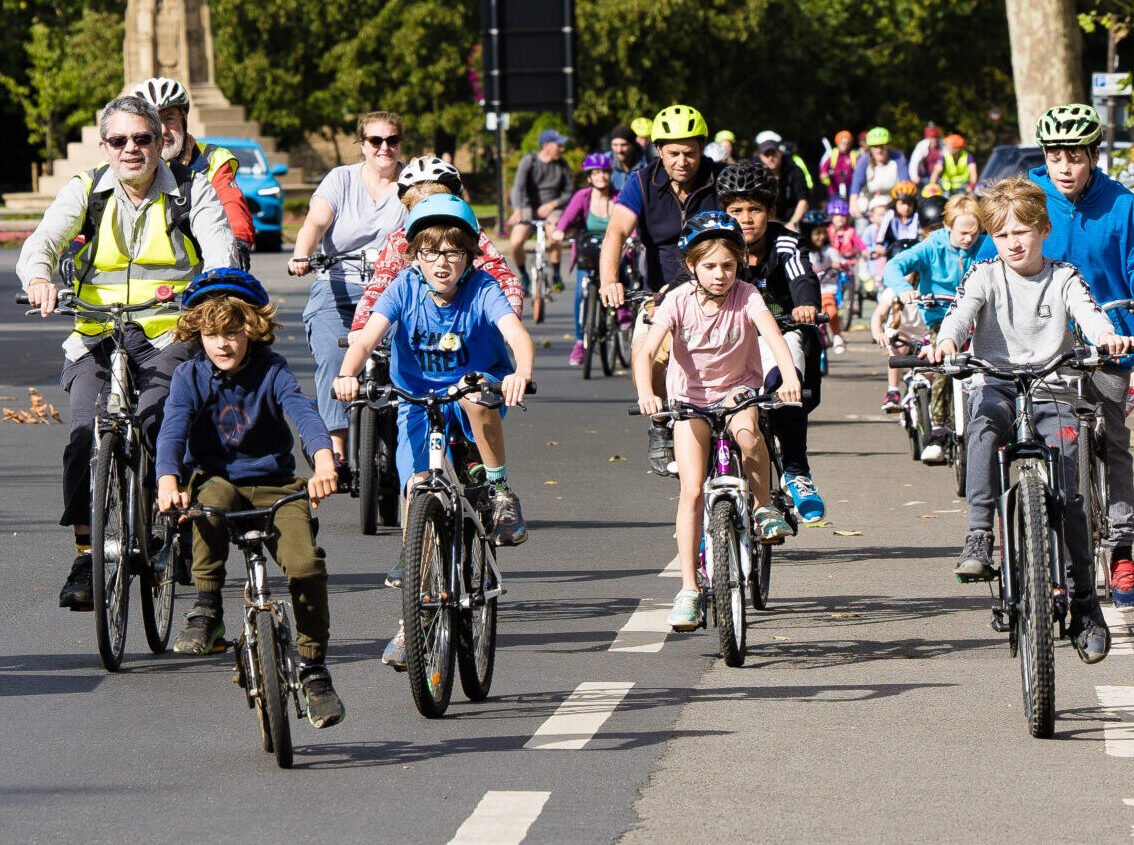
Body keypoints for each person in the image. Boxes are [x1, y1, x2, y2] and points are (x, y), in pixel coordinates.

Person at [17, 94, 235, 611]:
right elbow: (43, 241)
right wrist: (40, 278)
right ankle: (87, 553)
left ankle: (174, 522)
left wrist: (214, 288)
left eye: (142, 138)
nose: (131, 149)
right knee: (81, 437)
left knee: (161, 421)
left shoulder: (190, 191)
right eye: (120, 140)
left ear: (161, 141)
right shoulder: (88, 189)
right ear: (104, 146)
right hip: (97, 333)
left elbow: (220, 246)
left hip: (168, 334)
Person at [929, 176, 1132, 663]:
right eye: (1001, 234)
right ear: (991, 238)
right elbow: (959, 316)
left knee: (1074, 497)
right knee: (981, 428)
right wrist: (947, 342)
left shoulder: (1063, 277)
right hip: (996, 384)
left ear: (1043, 229)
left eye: (1022, 231)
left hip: (1052, 390)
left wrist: (1107, 339)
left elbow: (1090, 313)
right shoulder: (983, 275)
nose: (1012, 242)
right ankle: (980, 532)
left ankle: (1085, 606)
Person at [336, 195, 535, 668]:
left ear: (468, 256)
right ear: (414, 255)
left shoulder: (483, 289)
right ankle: (411, 624)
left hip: (473, 394)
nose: (440, 262)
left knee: (472, 398)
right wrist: (347, 374)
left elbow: (516, 336)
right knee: (416, 491)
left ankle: (500, 490)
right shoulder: (404, 287)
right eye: (430, 252)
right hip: (416, 403)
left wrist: (519, 373)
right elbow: (367, 336)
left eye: (452, 252)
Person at [154, 269, 345, 726]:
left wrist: (323, 461)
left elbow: (303, 412)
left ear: (253, 329)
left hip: (276, 484)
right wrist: (167, 480)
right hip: (218, 478)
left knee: (306, 565)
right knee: (209, 503)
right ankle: (207, 608)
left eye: (233, 332)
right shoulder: (188, 375)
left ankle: (315, 669)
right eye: (212, 333)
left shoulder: (272, 370)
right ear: (197, 332)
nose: (223, 344)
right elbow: (173, 428)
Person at [634, 212, 800, 630]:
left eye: (728, 265)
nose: (720, 274)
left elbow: (773, 338)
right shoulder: (677, 300)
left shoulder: (747, 296)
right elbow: (646, 349)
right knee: (691, 491)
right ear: (691, 265)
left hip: (738, 390)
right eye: (709, 266)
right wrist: (647, 393)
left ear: (740, 263)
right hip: (690, 400)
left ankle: (763, 508)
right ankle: (689, 588)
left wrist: (790, 379)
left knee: (749, 437)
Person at [1028, 103, 1134, 610]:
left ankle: (1122, 549)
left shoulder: (1123, 205)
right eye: (1055, 156)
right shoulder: (1028, 200)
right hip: (1042, 346)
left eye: (1075, 155)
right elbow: (989, 263)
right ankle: (1043, 548)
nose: (1064, 167)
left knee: (1115, 440)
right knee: (1050, 448)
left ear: (1094, 155)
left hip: (1110, 343)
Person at [597, 104, 722, 475]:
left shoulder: (720, 179)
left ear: (702, 150)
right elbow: (617, 232)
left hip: (718, 288)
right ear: (658, 151)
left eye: (690, 152)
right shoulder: (640, 182)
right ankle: (660, 423)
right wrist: (609, 280)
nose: (682, 161)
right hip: (661, 294)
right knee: (646, 353)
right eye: (673, 153)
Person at [288, 110, 407, 461]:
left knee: (408, 356)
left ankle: (407, 441)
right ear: (362, 145)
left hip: (392, 291)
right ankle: (335, 447)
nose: (384, 147)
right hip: (338, 284)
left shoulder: (412, 184)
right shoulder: (340, 179)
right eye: (375, 140)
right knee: (332, 355)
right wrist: (302, 254)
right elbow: (315, 222)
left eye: (392, 140)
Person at [715, 160, 827, 522]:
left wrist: (807, 304)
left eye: (755, 209)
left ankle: (796, 470)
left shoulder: (786, 242)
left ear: (772, 211)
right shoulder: (717, 245)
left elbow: (801, 275)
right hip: (731, 339)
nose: (745, 219)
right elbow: (690, 276)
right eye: (736, 210)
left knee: (784, 380)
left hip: (784, 333)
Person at [350, 156, 522, 338]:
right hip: (415, 331)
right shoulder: (400, 240)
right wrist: (361, 325)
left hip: (464, 322)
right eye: (419, 211)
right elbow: (380, 282)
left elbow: (500, 274)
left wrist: (508, 320)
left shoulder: (469, 234)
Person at [883, 194, 986, 463]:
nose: (968, 239)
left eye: (974, 233)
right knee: (943, 360)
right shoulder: (932, 246)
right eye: (963, 233)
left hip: (978, 317)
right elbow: (894, 266)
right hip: (941, 316)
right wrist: (905, 289)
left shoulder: (985, 245)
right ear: (948, 226)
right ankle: (938, 431)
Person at [131, 77, 255, 269]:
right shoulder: (125, 160)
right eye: (153, 121)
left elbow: (232, 206)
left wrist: (239, 242)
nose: (162, 129)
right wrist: (76, 243)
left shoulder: (211, 159)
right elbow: (94, 205)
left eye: (169, 118)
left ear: (184, 119)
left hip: (200, 268)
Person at [551, 153, 619, 365]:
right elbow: (566, 219)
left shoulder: (619, 196)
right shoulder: (582, 196)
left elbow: (629, 221)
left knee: (622, 278)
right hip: (588, 252)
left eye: (605, 172)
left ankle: (623, 316)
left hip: (614, 250)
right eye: (596, 173)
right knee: (581, 293)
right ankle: (580, 342)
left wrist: (633, 239)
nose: (601, 176)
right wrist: (559, 232)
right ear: (589, 177)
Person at [508, 128, 574, 293]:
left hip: (553, 208)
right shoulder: (529, 161)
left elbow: (569, 192)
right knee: (515, 243)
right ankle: (524, 276)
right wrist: (517, 210)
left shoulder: (562, 165)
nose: (562, 149)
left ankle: (557, 275)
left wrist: (553, 204)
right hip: (528, 206)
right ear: (546, 146)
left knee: (554, 235)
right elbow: (518, 187)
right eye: (559, 145)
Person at [870, 255, 928, 411]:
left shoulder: (929, 288)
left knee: (931, 370)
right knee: (898, 347)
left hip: (926, 336)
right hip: (903, 335)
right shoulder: (892, 292)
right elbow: (878, 315)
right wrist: (878, 334)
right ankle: (893, 390)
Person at [799, 209, 846, 354]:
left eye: (823, 232)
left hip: (826, 288)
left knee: (831, 312)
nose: (821, 237)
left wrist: (838, 263)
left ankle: (837, 335)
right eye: (816, 233)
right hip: (809, 290)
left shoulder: (828, 250)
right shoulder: (802, 251)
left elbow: (838, 258)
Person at [849, 126, 910, 218]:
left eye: (882, 146)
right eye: (875, 147)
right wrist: (853, 205)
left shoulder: (898, 158)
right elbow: (856, 184)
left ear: (888, 146)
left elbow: (905, 183)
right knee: (860, 220)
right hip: (869, 203)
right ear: (870, 148)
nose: (878, 150)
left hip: (893, 203)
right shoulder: (864, 160)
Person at [756, 138, 808, 228]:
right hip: (767, 221)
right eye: (766, 155)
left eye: (773, 153)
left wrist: (793, 223)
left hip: (792, 220)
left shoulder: (794, 171)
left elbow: (803, 200)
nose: (770, 158)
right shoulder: (756, 175)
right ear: (761, 157)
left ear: (780, 153)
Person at [819, 130, 859, 200]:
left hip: (850, 189)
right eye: (843, 143)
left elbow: (859, 168)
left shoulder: (854, 155)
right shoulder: (832, 156)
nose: (845, 146)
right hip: (834, 189)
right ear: (838, 143)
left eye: (847, 143)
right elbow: (824, 168)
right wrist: (824, 174)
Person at [608, 124, 646, 191]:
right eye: (615, 145)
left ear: (633, 145)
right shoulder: (606, 162)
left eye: (624, 145)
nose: (619, 150)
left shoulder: (646, 163)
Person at [883, 180, 920, 247]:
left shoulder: (917, 217)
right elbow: (881, 234)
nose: (906, 207)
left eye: (909, 204)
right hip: (895, 250)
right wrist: (879, 245)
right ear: (895, 203)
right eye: (902, 203)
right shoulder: (890, 216)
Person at [908, 123, 943, 187]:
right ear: (927, 137)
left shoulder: (942, 145)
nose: (934, 140)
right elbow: (914, 162)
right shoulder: (922, 145)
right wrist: (914, 177)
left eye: (936, 137)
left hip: (940, 177)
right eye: (932, 137)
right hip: (924, 177)